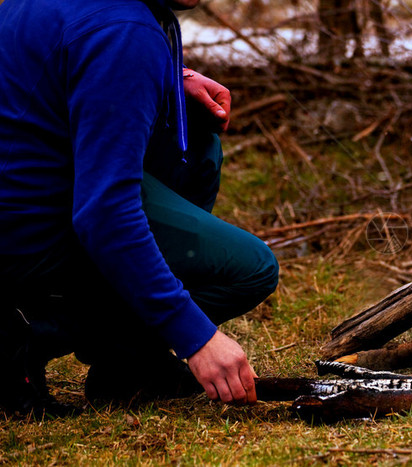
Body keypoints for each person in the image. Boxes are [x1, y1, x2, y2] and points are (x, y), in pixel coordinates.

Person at [0, 0, 280, 417]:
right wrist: (196, 338)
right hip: (26, 236)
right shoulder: (124, 29)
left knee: (200, 143)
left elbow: (56, 56)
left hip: (21, 193)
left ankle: (127, 366)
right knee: (251, 268)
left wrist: (167, 77)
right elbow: (106, 214)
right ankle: (28, 334)